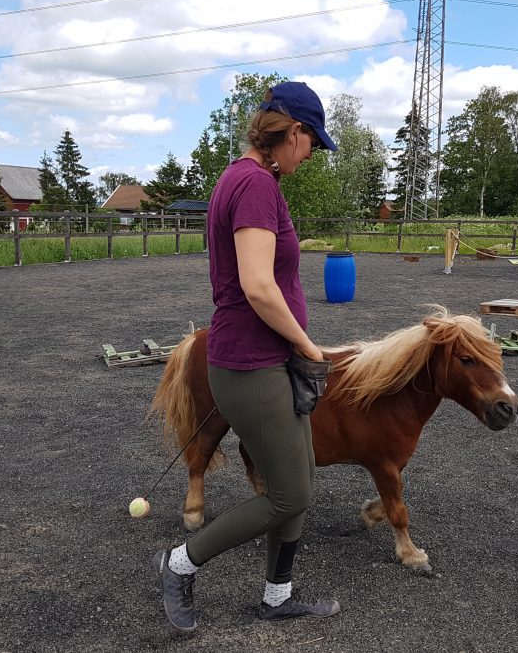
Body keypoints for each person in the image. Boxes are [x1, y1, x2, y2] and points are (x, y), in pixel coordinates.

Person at [152, 81, 340, 632]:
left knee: (297, 476)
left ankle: (277, 595)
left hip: (267, 359)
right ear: (293, 132)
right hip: (251, 363)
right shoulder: (255, 184)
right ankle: (178, 563)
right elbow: (258, 287)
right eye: (311, 143)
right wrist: (308, 345)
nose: (311, 156)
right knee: (290, 493)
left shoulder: (246, 179)